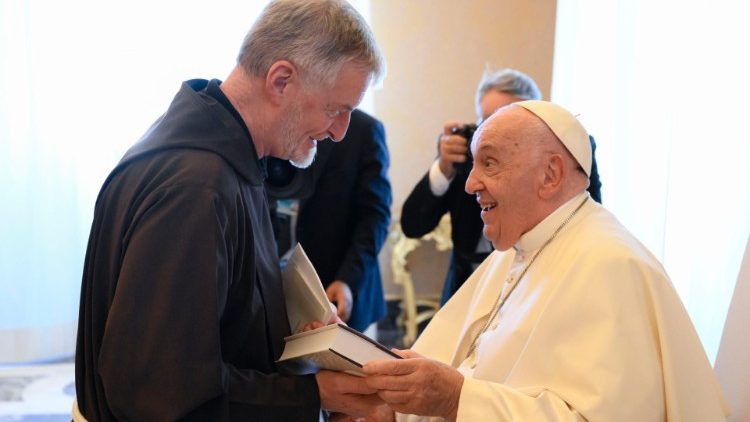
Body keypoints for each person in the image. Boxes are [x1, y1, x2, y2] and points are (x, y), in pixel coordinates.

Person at [74, 1, 386, 420]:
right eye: (336, 109)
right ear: (281, 81)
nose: (340, 132)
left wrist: (293, 329)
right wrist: (312, 394)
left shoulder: (226, 156)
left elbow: (217, 312)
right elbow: (161, 391)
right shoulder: (196, 186)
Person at [362, 101, 728, 421]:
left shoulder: (611, 266)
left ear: (550, 175)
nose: (471, 184)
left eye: (489, 163)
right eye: (473, 165)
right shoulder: (514, 249)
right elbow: (458, 365)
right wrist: (394, 409)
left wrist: (458, 399)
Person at [400, 69, 602, 305]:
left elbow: (587, 216)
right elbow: (413, 225)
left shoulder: (570, 150)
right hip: (465, 290)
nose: (472, 185)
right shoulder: (465, 152)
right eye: (485, 122)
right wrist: (443, 168)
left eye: (509, 122)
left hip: (538, 287)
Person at [274, 108, 392, 335]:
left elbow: (375, 217)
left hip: (341, 288)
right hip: (280, 291)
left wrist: (348, 279)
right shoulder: (276, 123)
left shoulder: (363, 130)